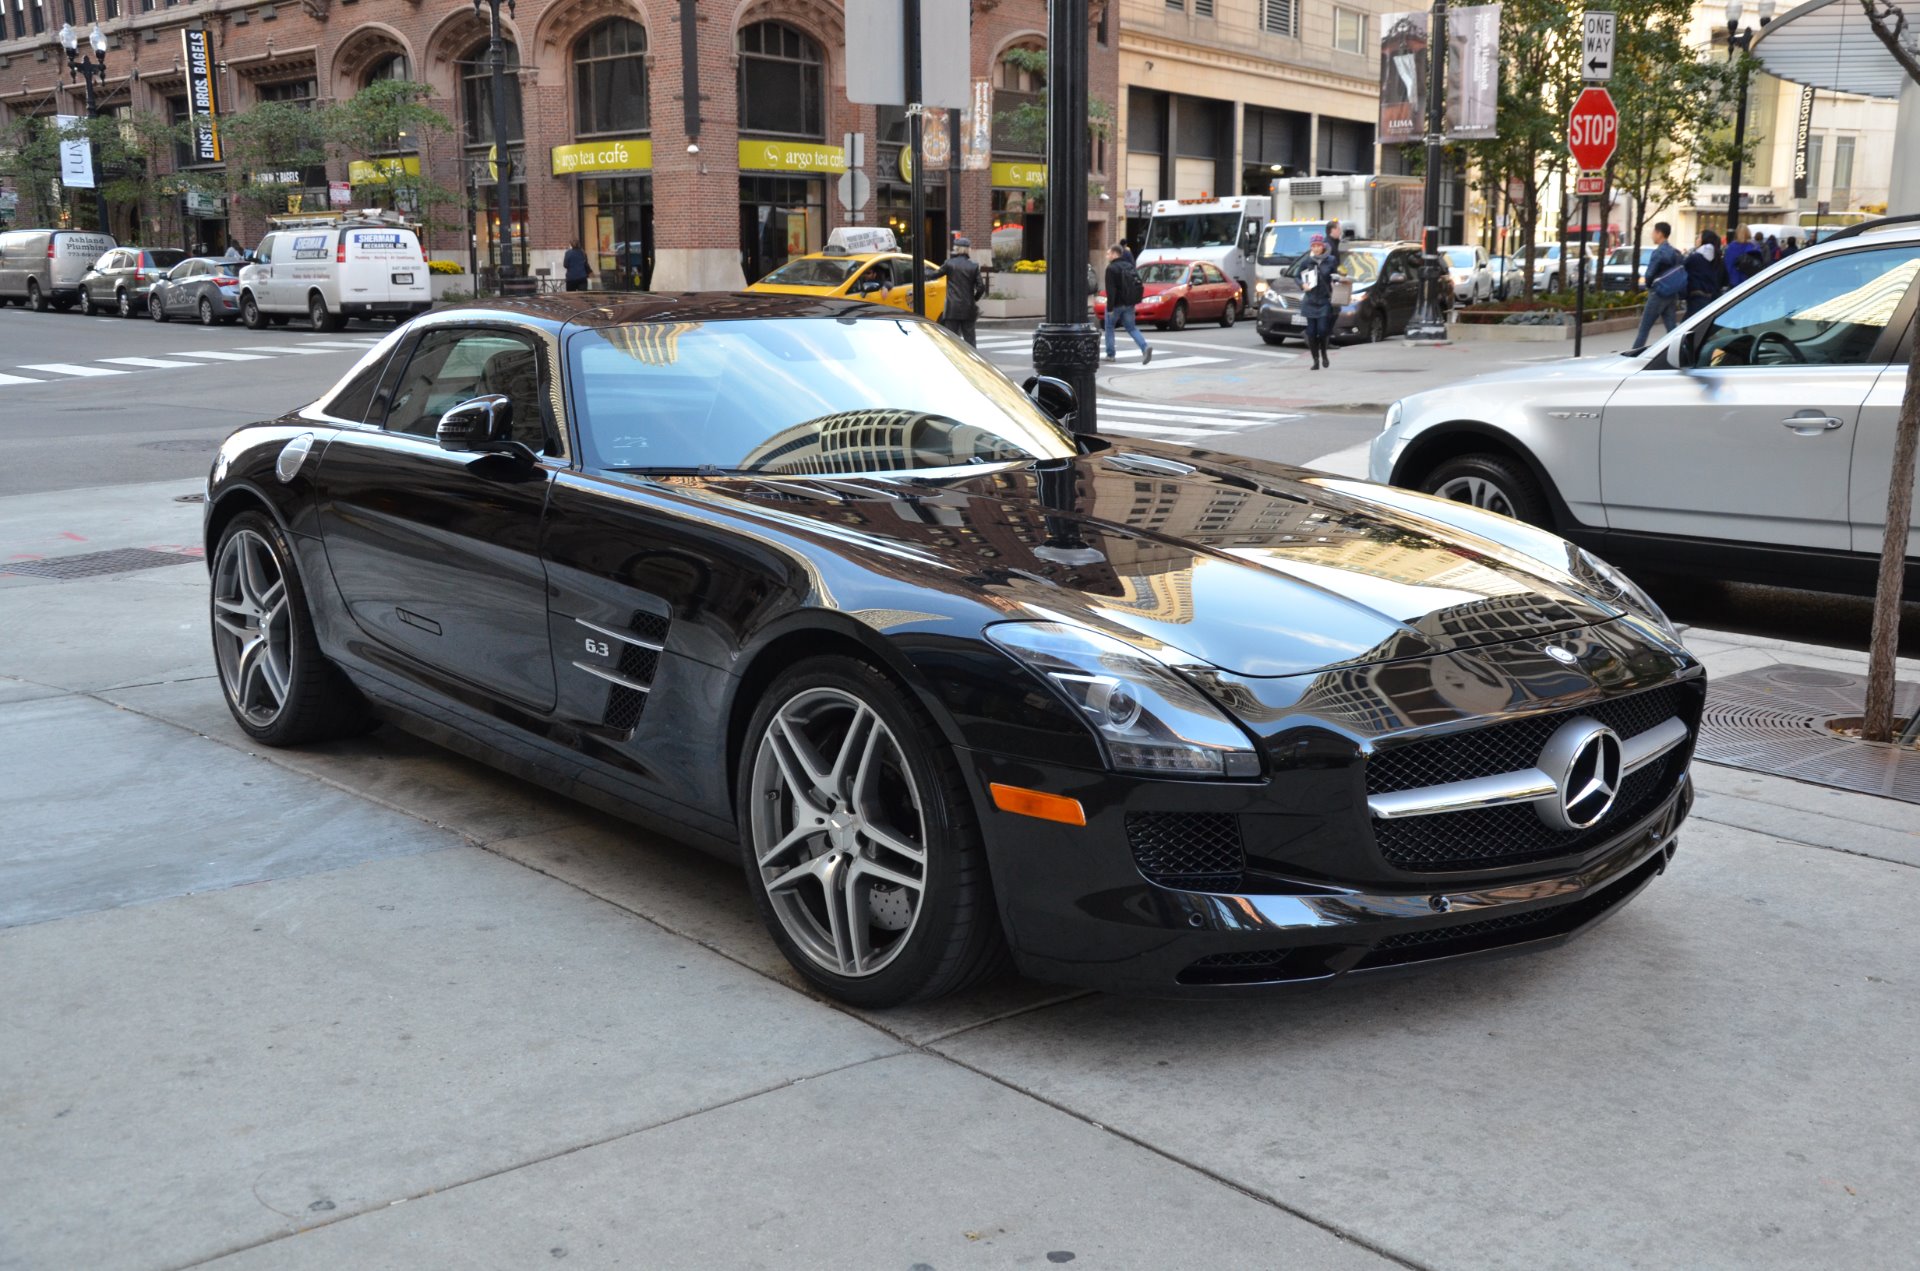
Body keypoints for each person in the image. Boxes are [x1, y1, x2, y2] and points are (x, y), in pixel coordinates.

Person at [1296, 220, 1344, 370]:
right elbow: (1297, 276)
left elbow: (1336, 275)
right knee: (1311, 332)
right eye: (1313, 246)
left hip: (1324, 300)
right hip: (1310, 300)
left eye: (1318, 246)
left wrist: (1339, 278)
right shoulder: (1307, 262)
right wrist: (1302, 284)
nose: (1316, 248)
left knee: (1322, 330)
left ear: (1322, 246)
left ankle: (1324, 354)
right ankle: (1315, 360)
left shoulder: (1330, 260)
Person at [1633, 221, 1683, 348]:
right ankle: (1680, 351)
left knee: (1644, 329)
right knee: (1671, 328)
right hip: (1671, 294)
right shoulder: (1675, 252)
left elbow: (1649, 275)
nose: (1652, 235)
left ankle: (1634, 356)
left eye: (1654, 232)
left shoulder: (1658, 252)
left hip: (1657, 294)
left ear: (1659, 233)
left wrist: (1649, 286)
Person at [931, 237, 986, 346]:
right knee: (970, 341)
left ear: (956, 249)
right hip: (968, 308)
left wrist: (923, 271)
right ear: (967, 249)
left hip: (952, 308)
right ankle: (971, 362)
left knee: (952, 341)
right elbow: (981, 287)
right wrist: (974, 299)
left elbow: (934, 275)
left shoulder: (949, 264)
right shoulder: (973, 266)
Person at [1102, 243, 1152, 365]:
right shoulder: (1129, 265)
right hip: (1129, 303)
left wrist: (1110, 308)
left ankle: (1110, 354)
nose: (1107, 255)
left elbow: (1111, 290)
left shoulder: (1111, 268)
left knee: (1109, 327)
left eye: (1108, 253)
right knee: (1131, 328)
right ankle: (1144, 347)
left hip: (1117, 304)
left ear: (1114, 254)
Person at [1683, 229, 1724, 318]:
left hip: (1696, 296)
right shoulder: (1718, 258)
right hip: (1713, 296)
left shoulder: (1695, 257)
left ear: (1704, 240)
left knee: (1688, 326)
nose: (1696, 240)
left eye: (1699, 237)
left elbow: (1682, 269)